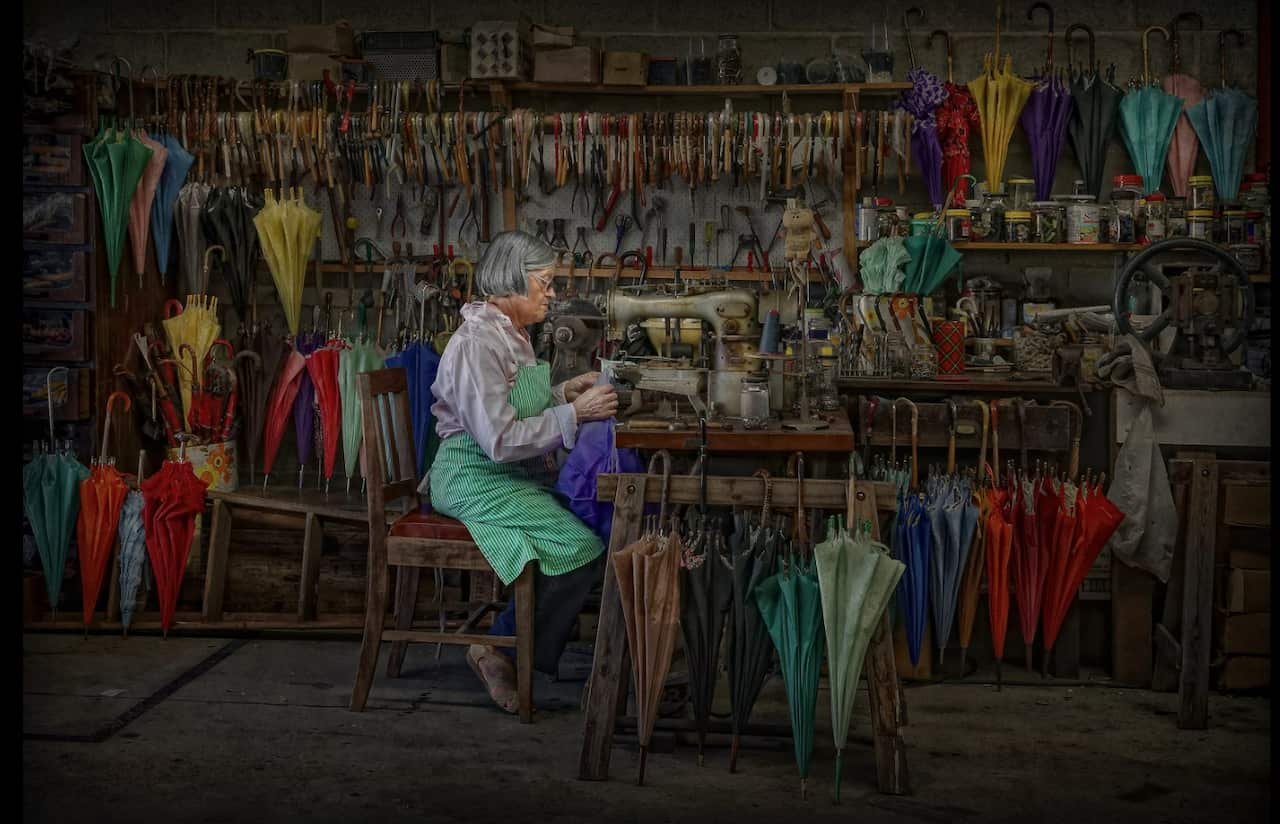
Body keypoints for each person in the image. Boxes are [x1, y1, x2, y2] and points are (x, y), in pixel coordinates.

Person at [427, 231, 618, 714]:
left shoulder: (510, 335)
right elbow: (498, 438)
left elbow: (512, 409)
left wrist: (563, 394)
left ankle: (507, 650)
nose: (551, 294)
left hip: (502, 473)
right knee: (578, 548)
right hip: (473, 476)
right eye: (544, 282)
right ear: (512, 280)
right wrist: (576, 417)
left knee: (584, 525)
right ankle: (499, 652)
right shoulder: (475, 344)